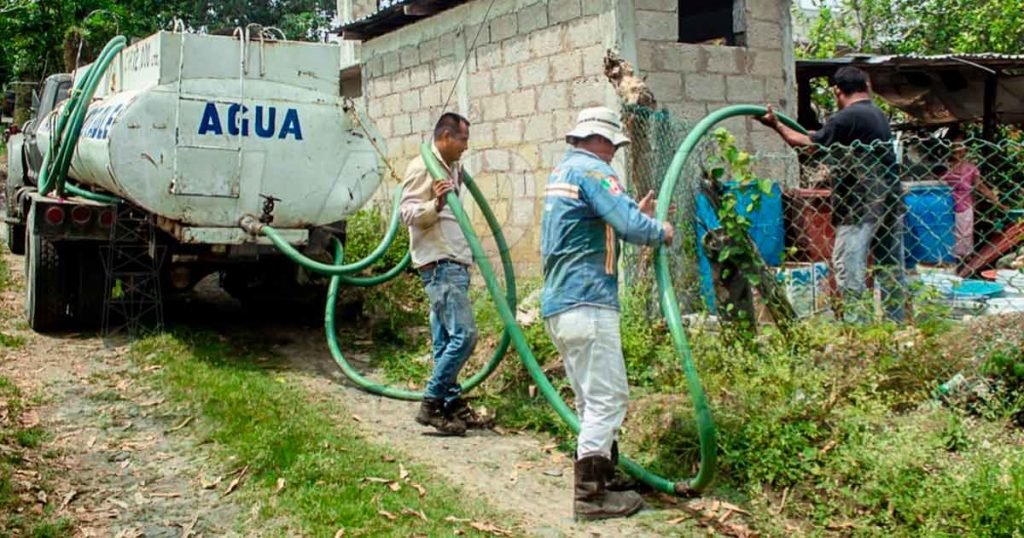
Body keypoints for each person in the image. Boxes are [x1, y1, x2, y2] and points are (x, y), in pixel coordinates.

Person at [541, 107, 675, 520]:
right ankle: (591, 496)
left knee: (590, 400)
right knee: (609, 398)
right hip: (588, 300)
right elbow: (632, 228)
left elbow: (605, 223)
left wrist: (633, 214)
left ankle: (605, 478)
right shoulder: (594, 171)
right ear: (598, 140)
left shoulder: (564, 172)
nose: (615, 152)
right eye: (613, 144)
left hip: (561, 304)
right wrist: (660, 231)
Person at [757, 66, 906, 321]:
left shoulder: (847, 117)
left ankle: (858, 326)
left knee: (848, 264)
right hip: (890, 199)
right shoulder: (876, 114)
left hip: (861, 203)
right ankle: (896, 322)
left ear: (837, 91)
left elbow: (808, 146)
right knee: (890, 266)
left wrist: (776, 125)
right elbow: (821, 138)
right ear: (866, 87)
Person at [399, 112, 490, 436]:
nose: (466, 146)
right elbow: (406, 212)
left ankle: (451, 404)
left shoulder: (452, 168)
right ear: (446, 137)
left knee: (445, 342)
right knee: (465, 336)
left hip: (453, 262)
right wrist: (435, 205)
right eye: (463, 139)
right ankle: (432, 403)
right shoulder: (423, 167)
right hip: (441, 264)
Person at [941, 127, 1008, 259]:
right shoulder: (942, 167)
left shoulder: (970, 168)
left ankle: (964, 263)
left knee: (964, 239)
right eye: (954, 145)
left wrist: (999, 204)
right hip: (943, 209)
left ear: (966, 148)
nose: (958, 149)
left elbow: (981, 187)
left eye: (961, 145)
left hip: (963, 209)